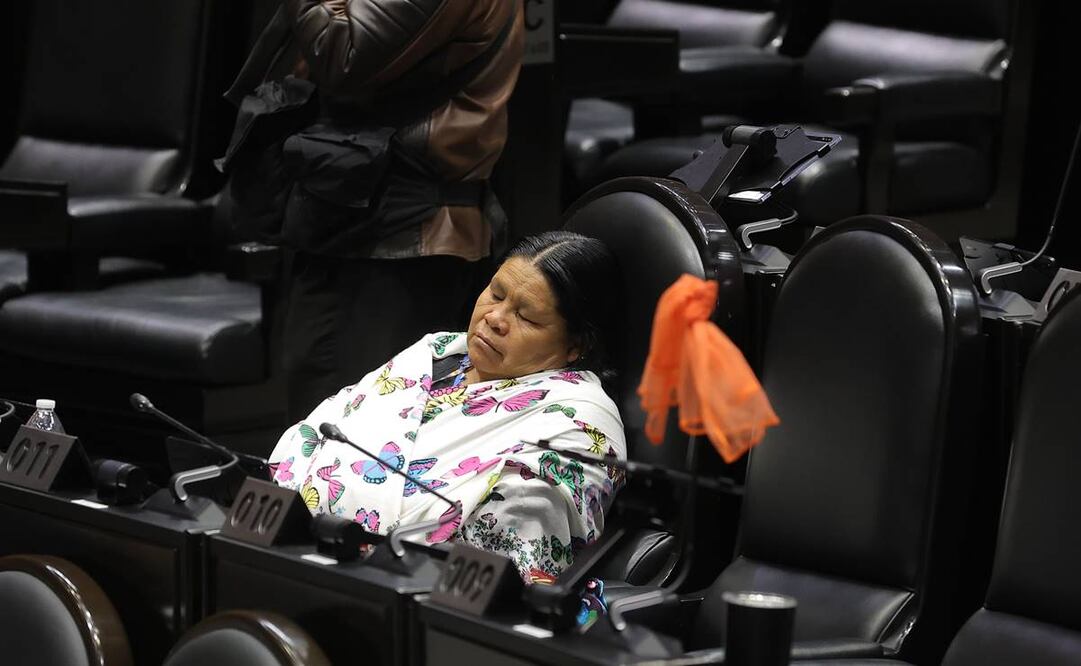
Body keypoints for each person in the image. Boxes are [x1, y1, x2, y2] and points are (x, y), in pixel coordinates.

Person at [220, 0, 525, 420]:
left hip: (392, 237)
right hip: (367, 224)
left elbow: (344, 54)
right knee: (338, 436)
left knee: (344, 441)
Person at [267, 231, 626, 583]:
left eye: (527, 317)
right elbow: (315, 432)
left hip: (424, 599)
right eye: (495, 294)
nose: (495, 318)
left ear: (575, 346)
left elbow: (507, 548)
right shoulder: (434, 352)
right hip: (301, 553)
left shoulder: (580, 423)